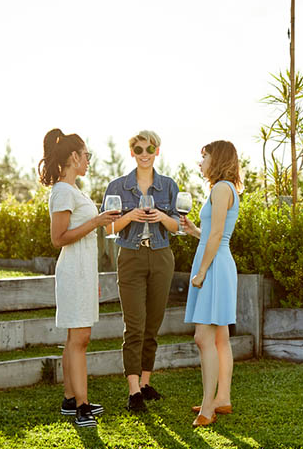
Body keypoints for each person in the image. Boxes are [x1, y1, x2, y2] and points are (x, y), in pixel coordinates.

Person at [40, 129, 119, 427]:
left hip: (83, 272)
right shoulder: (62, 191)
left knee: (76, 338)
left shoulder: (75, 191)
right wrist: (97, 221)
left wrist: (92, 276)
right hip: (72, 271)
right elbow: (58, 238)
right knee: (80, 339)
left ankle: (70, 399)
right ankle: (82, 407)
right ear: (74, 156)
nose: (88, 161)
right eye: (87, 155)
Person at [101, 130, 180, 412]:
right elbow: (108, 228)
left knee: (153, 324)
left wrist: (162, 217)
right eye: (138, 149)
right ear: (131, 152)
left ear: (157, 151)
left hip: (161, 256)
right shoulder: (118, 186)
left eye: (149, 149)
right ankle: (133, 391)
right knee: (134, 326)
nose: (144, 154)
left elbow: (179, 226)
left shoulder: (169, 186)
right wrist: (129, 216)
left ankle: (146, 383)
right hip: (131, 257)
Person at [180, 141, 242, 427]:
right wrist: (195, 231)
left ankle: (208, 408)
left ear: (216, 159)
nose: (200, 162)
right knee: (219, 338)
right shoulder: (226, 188)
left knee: (203, 337)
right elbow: (212, 234)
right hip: (219, 262)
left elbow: (217, 235)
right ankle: (222, 398)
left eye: (203, 156)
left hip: (215, 266)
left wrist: (202, 271)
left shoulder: (220, 188)